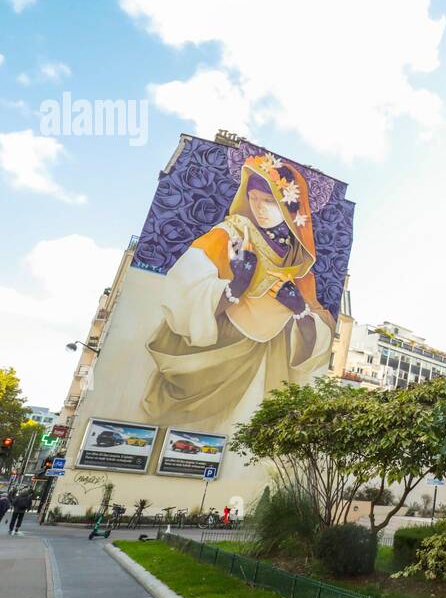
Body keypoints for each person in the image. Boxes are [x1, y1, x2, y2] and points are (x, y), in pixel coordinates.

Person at [142, 153, 335, 425]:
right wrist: (236, 286)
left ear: (290, 208)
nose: (260, 208)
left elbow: (320, 348)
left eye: (270, 201)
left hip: (261, 365)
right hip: (207, 357)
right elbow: (182, 290)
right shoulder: (229, 234)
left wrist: (300, 310)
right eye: (254, 198)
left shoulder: (298, 265)